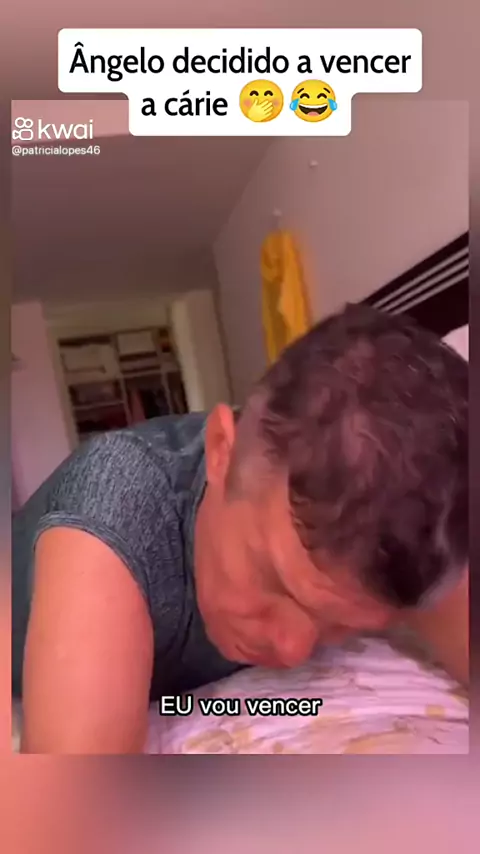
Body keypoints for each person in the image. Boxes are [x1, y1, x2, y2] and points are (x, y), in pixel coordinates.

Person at [12, 304, 469, 754]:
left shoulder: (422, 516)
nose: (293, 651)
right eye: (276, 585)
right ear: (220, 451)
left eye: (340, 627)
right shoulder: (113, 505)